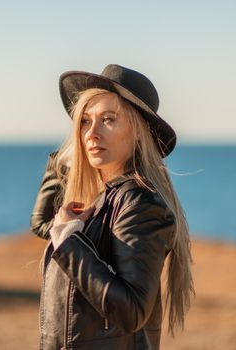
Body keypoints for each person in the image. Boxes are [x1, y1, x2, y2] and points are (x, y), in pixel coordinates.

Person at [30, 64, 195, 350]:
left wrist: (70, 240)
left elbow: (131, 311)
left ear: (139, 132)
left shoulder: (140, 204)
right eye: (85, 121)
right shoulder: (105, 198)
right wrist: (65, 158)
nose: (91, 133)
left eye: (108, 120)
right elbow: (44, 223)